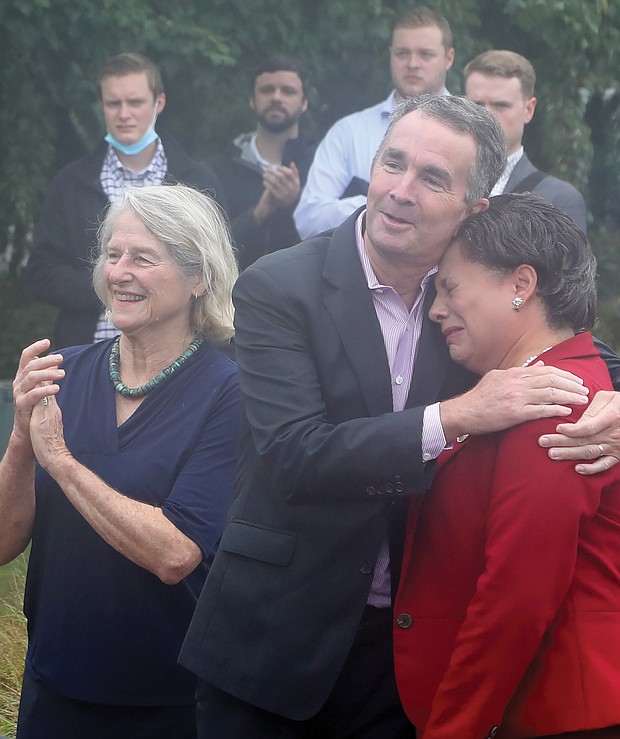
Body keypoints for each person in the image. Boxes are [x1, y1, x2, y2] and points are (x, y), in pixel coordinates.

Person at [177, 94, 618, 738]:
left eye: (431, 177)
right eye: (392, 163)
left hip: (405, 656)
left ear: (476, 207)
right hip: (275, 644)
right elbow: (296, 454)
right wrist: (458, 415)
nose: (399, 191)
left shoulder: (472, 290)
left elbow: (559, 338)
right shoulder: (278, 286)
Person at [0, 184, 240, 738]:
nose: (120, 273)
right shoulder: (63, 375)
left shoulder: (227, 394)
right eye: (113, 255)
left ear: (199, 277)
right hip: (54, 690)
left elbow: (176, 552)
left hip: (168, 703)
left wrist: (59, 460)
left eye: (143, 258)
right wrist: (19, 439)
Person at [394, 193, 620, 738]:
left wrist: (453, 728)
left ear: (521, 285)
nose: (436, 309)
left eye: (450, 287)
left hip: (559, 712)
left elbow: (517, 593)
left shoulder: (555, 399)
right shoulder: (526, 388)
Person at [26, 52, 227, 349]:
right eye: (113, 103)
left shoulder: (196, 182)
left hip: (178, 352)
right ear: (102, 106)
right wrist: (116, 287)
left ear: (159, 103)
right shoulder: (71, 182)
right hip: (88, 351)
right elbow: (42, 271)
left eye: (135, 102)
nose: (124, 114)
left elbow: (215, 269)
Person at [293, 6, 454, 239]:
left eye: (425, 54)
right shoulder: (349, 132)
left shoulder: (471, 135)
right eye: (402, 53)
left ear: (449, 58)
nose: (412, 63)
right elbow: (308, 219)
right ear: (390, 54)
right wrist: (374, 203)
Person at [208, 55, 315, 270]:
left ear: (304, 103)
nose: (276, 97)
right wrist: (259, 213)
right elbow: (208, 248)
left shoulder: (321, 165)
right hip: (232, 295)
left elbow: (331, 244)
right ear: (252, 100)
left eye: (288, 91)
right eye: (267, 90)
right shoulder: (218, 170)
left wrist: (295, 202)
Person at [464, 49, 587, 231]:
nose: (486, 115)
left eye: (501, 105)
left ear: (528, 110)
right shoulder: (435, 180)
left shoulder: (558, 199)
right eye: (477, 105)